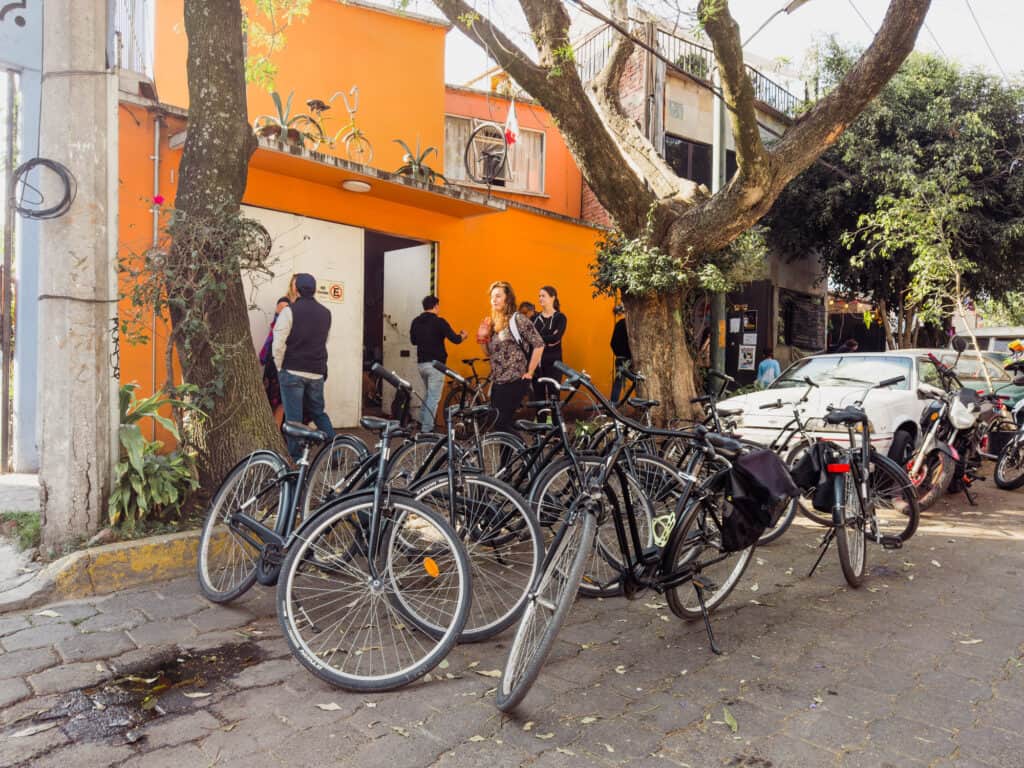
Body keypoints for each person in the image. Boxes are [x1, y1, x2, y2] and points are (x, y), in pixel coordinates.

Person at [272, 273, 336, 460]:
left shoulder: (289, 311)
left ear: (295, 289)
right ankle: (335, 450)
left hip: (292, 370)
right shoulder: (326, 313)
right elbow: (325, 340)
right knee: (318, 413)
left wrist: (279, 367)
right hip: (316, 372)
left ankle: (297, 459)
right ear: (315, 290)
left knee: (294, 419)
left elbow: (279, 343)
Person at [477, 281, 543, 433]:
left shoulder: (517, 319)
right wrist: (482, 338)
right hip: (498, 381)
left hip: (515, 380)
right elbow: (488, 353)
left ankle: (524, 452)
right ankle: (513, 455)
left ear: (508, 298)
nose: (494, 299)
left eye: (498, 296)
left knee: (501, 424)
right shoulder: (493, 323)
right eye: (492, 297)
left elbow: (539, 344)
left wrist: (530, 372)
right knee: (500, 425)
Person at [409, 295, 467, 432]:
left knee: (429, 394)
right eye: (438, 306)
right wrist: (463, 336)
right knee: (433, 398)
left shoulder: (416, 322)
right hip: (436, 365)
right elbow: (455, 339)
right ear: (435, 306)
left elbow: (413, 341)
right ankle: (426, 430)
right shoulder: (439, 322)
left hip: (421, 364)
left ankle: (422, 421)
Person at [532, 285, 568, 401]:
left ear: (553, 298)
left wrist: (538, 338)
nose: (540, 298)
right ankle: (541, 419)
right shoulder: (535, 318)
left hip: (554, 363)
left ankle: (555, 419)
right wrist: (547, 339)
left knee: (553, 394)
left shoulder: (560, 317)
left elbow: (556, 338)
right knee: (538, 396)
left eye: (543, 296)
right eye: (539, 296)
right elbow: (529, 338)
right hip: (536, 363)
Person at [259, 296, 291, 426]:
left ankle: (276, 430)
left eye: (285, 307)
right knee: (270, 399)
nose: (282, 309)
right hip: (271, 367)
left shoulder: (289, 325)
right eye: (280, 307)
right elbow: (269, 345)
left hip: (283, 366)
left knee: (280, 402)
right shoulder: (274, 324)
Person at [609, 304, 632, 404]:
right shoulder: (631, 325)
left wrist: (618, 354)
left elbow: (612, 343)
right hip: (629, 358)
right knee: (638, 380)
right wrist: (629, 354)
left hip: (620, 358)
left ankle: (613, 405)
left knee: (618, 382)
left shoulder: (619, 324)